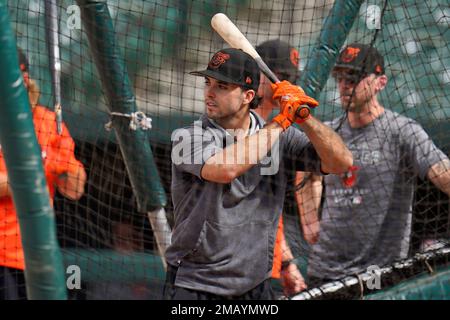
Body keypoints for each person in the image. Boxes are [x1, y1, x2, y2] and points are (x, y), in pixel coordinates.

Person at [164, 47, 353, 299]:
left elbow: (342, 162)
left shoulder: (281, 138)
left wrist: (304, 117)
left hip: (255, 286)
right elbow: (225, 168)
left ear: (247, 95)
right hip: (197, 284)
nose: (209, 92)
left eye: (222, 86)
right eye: (208, 83)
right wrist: (282, 121)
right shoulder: (188, 137)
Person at [301, 43, 450, 285]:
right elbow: (307, 173)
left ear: (381, 82)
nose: (345, 84)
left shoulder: (402, 131)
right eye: (340, 77)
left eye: (355, 76)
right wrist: (309, 219)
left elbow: (440, 171)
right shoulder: (329, 131)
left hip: (379, 272)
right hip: (325, 269)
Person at [0, 48, 87, 299]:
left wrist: (64, 167)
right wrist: (39, 174)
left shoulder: (48, 122)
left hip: (37, 254)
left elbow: (74, 190)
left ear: (23, 79)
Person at [255, 39, 307, 296]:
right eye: (281, 77)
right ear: (258, 76)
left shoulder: (280, 132)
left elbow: (269, 211)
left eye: (292, 79)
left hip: (262, 270)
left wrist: (286, 264)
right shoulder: (234, 128)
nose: (287, 85)